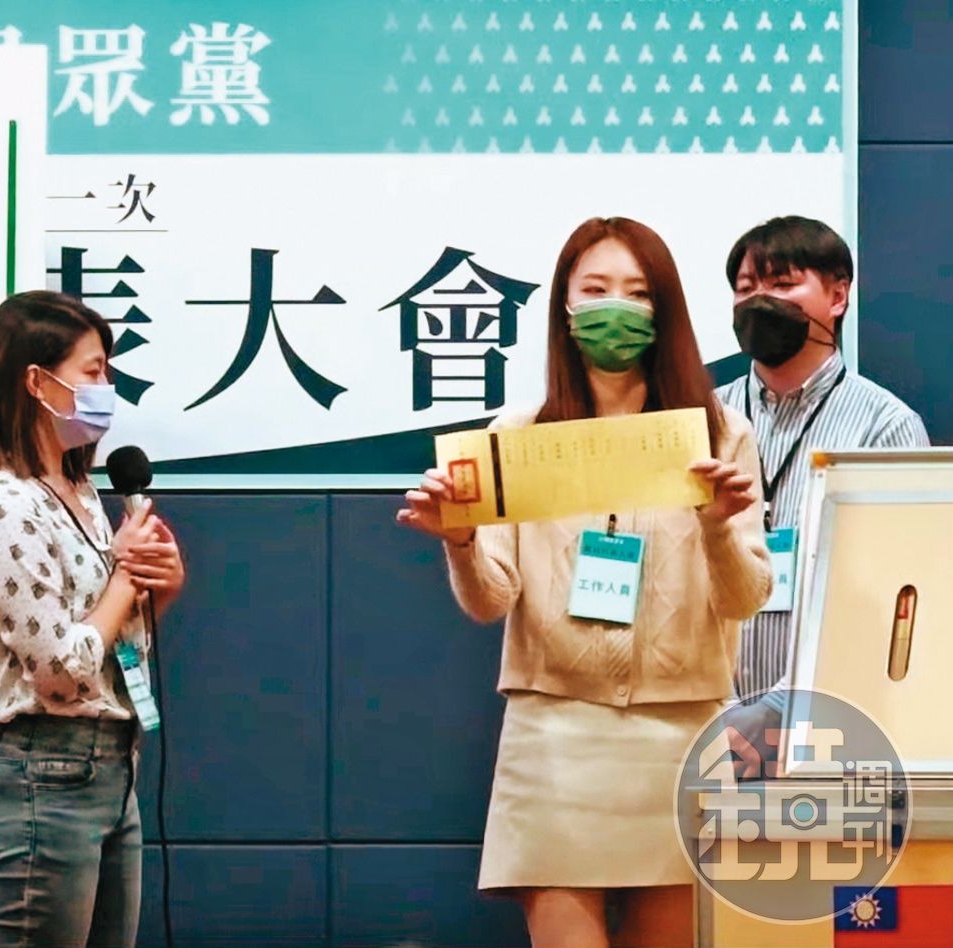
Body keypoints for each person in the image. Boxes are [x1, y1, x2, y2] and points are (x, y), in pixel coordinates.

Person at [398, 218, 772, 947]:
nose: (615, 309)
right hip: (554, 735)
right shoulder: (520, 432)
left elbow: (745, 598)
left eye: (637, 293)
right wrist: (462, 541)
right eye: (595, 290)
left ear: (664, 311)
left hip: (679, 733)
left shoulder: (718, 434)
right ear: (565, 309)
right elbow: (491, 601)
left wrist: (718, 527)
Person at [0, 290, 186, 947]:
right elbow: (59, 670)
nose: (106, 389)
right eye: (93, 372)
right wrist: (124, 577)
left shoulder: (80, 494)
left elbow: (105, 639)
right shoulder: (6, 502)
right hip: (43, 776)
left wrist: (157, 589)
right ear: (37, 382)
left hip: (112, 768)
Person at [716, 216, 929, 723]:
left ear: (837, 297)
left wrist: (777, 708)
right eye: (746, 288)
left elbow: (894, 595)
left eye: (782, 284)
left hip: (833, 723)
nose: (760, 300)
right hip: (704, 722)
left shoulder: (885, 426)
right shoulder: (706, 420)